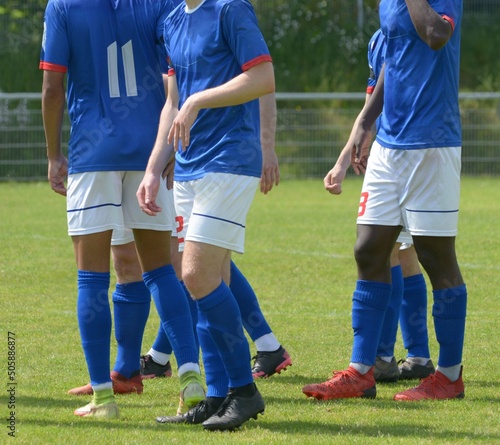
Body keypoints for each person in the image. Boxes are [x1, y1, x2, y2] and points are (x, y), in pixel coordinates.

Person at [40, 0, 204, 418]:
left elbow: (52, 88)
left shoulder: (63, 5)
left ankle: (104, 397)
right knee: (161, 272)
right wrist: (166, 148)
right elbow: (180, 72)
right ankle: (189, 376)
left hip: (92, 156)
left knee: (90, 278)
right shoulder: (161, 3)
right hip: (147, 154)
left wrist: (54, 154)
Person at [303, 0, 466, 401]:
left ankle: (449, 376)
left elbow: (436, 35)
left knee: (435, 256)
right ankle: (361, 371)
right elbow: (391, 65)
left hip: (432, 143)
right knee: (369, 249)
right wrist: (364, 122)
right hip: (389, 146)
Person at [137, 0, 275, 431]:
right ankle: (216, 397)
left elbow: (263, 77)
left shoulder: (231, 10)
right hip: (191, 168)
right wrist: (153, 166)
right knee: (203, 281)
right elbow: (171, 104)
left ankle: (244, 392)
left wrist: (198, 100)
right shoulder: (173, 20)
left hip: (230, 161)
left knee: (196, 275)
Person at [143, 94, 292, 383]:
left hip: (202, 160)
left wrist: (267, 146)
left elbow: (260, 81)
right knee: (202, 263)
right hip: (181, 155)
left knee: (192, 265)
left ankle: (174, 363)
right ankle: (265, 345)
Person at [323, 28, 434, 383]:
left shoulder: (408, 31)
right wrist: (343, 161)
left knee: (386, 250)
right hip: (391, 153)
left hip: (406, 153)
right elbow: (371, 108)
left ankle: (382, 356)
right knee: (403, 251)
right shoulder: (377, 39)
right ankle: (417, 355)